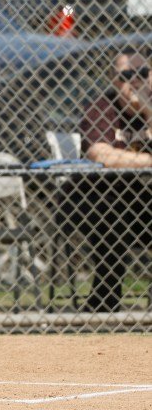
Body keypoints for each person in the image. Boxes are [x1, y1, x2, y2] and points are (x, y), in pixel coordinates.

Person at [60, 47, 152, 312]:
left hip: (141, 201)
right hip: (96, 198)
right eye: (127, 75)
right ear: (115, 79)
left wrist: (148, 110)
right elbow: (100, 153)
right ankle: (104, 302)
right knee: (110, 215)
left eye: (142, 73)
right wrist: (147, 161)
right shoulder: (102, 106)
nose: (135, 80)